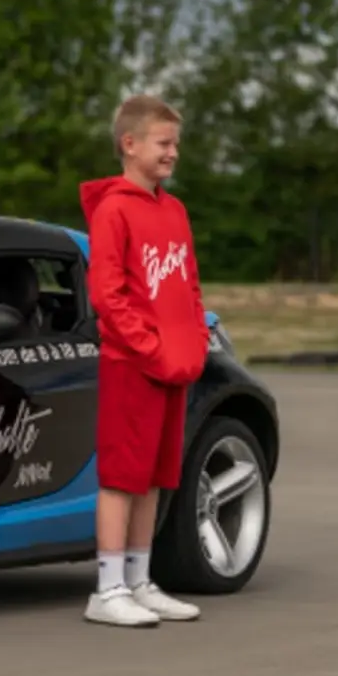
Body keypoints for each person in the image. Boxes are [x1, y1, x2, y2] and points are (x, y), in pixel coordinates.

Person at [78, 95, 211, 628]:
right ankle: (107, 590)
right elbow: (107, 295)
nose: (173, 153)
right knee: (122, 477)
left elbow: (190, 286)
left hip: (173, 366)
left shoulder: (174, 210)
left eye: (176, 143)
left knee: (156, 475)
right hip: (131, 364)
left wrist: (194, 340)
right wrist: (151, 349)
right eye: (164, 143)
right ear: (129, 145)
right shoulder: (114, 209)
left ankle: (139, 579)